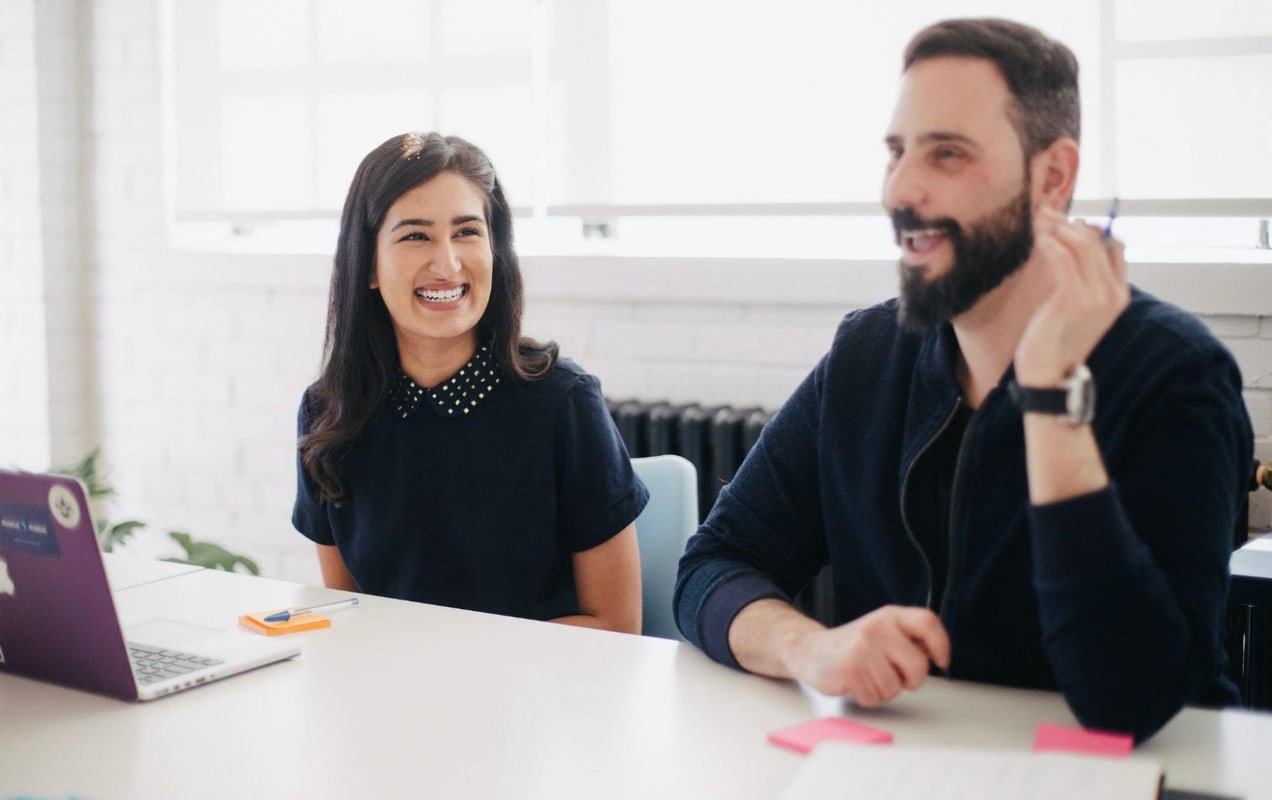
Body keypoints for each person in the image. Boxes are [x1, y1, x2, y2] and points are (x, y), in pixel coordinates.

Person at [674, 18, 1252, 742]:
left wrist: (1050, 397)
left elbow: (1131, 700)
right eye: (896, 152)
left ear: (1051, 177)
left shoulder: (1177, 376)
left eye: (947, 154)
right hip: (905, 766)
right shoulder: (869, 353)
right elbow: (713, 567)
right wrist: (812, 646)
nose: (901, 189)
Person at [294, 132, 647, 634]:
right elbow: (349, 612)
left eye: (466, 232)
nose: (447, 263)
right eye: (416, 235)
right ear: (368, 264)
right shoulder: (328, 411)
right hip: (392, 693)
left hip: (544, 695)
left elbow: (616, 625)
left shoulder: (562, 402)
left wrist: (453, 668)